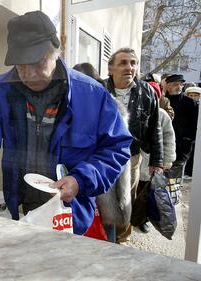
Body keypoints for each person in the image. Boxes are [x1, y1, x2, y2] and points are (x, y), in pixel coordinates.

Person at [0, 11, 133, 235]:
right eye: (20, 64)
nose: (29, 73)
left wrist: (81, 179)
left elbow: (116, 148)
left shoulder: (92, 94)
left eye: (37, 62)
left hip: (69, 216)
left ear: (58, 48)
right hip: (20, 210)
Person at [105, 47, 163, 244]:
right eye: (123, 63)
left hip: (131, 156)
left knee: (125, 200)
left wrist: (158, 160)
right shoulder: (98, 90)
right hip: (102, 156)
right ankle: (102, 236)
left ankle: (121, 240)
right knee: (101, 197)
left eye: (133, 63)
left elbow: (155, 127)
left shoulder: (147, 92)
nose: (129, 67)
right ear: (110, 69)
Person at [74, 62, 131, 243]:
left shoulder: (112, 108)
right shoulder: (69, 107)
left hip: (106, 185)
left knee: (106, 235)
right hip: (78, 183)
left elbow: (117, 153)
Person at [138, 107, 176, 232]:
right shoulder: (132, 109)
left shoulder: (161, 114)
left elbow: (169, 138)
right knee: (132, 192)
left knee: (148, 194)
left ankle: (143, 220)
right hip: (133, 161)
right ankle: (132, 218)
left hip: (152, 161)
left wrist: (167, 160)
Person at [164, 74, 198, 178]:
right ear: (168, 86)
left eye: (181, 85)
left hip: (181, 146)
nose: (179, 87)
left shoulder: (190, 103)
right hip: (164, 144)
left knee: (175, 179)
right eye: (175, 84)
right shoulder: (162, 101)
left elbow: (195, 124)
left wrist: (188, 139)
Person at [183, 86, 201, 178]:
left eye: (195, 95)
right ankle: (187, 172)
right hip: (188, 134)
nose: (193, 97)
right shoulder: (184, 105)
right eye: (191, 95)